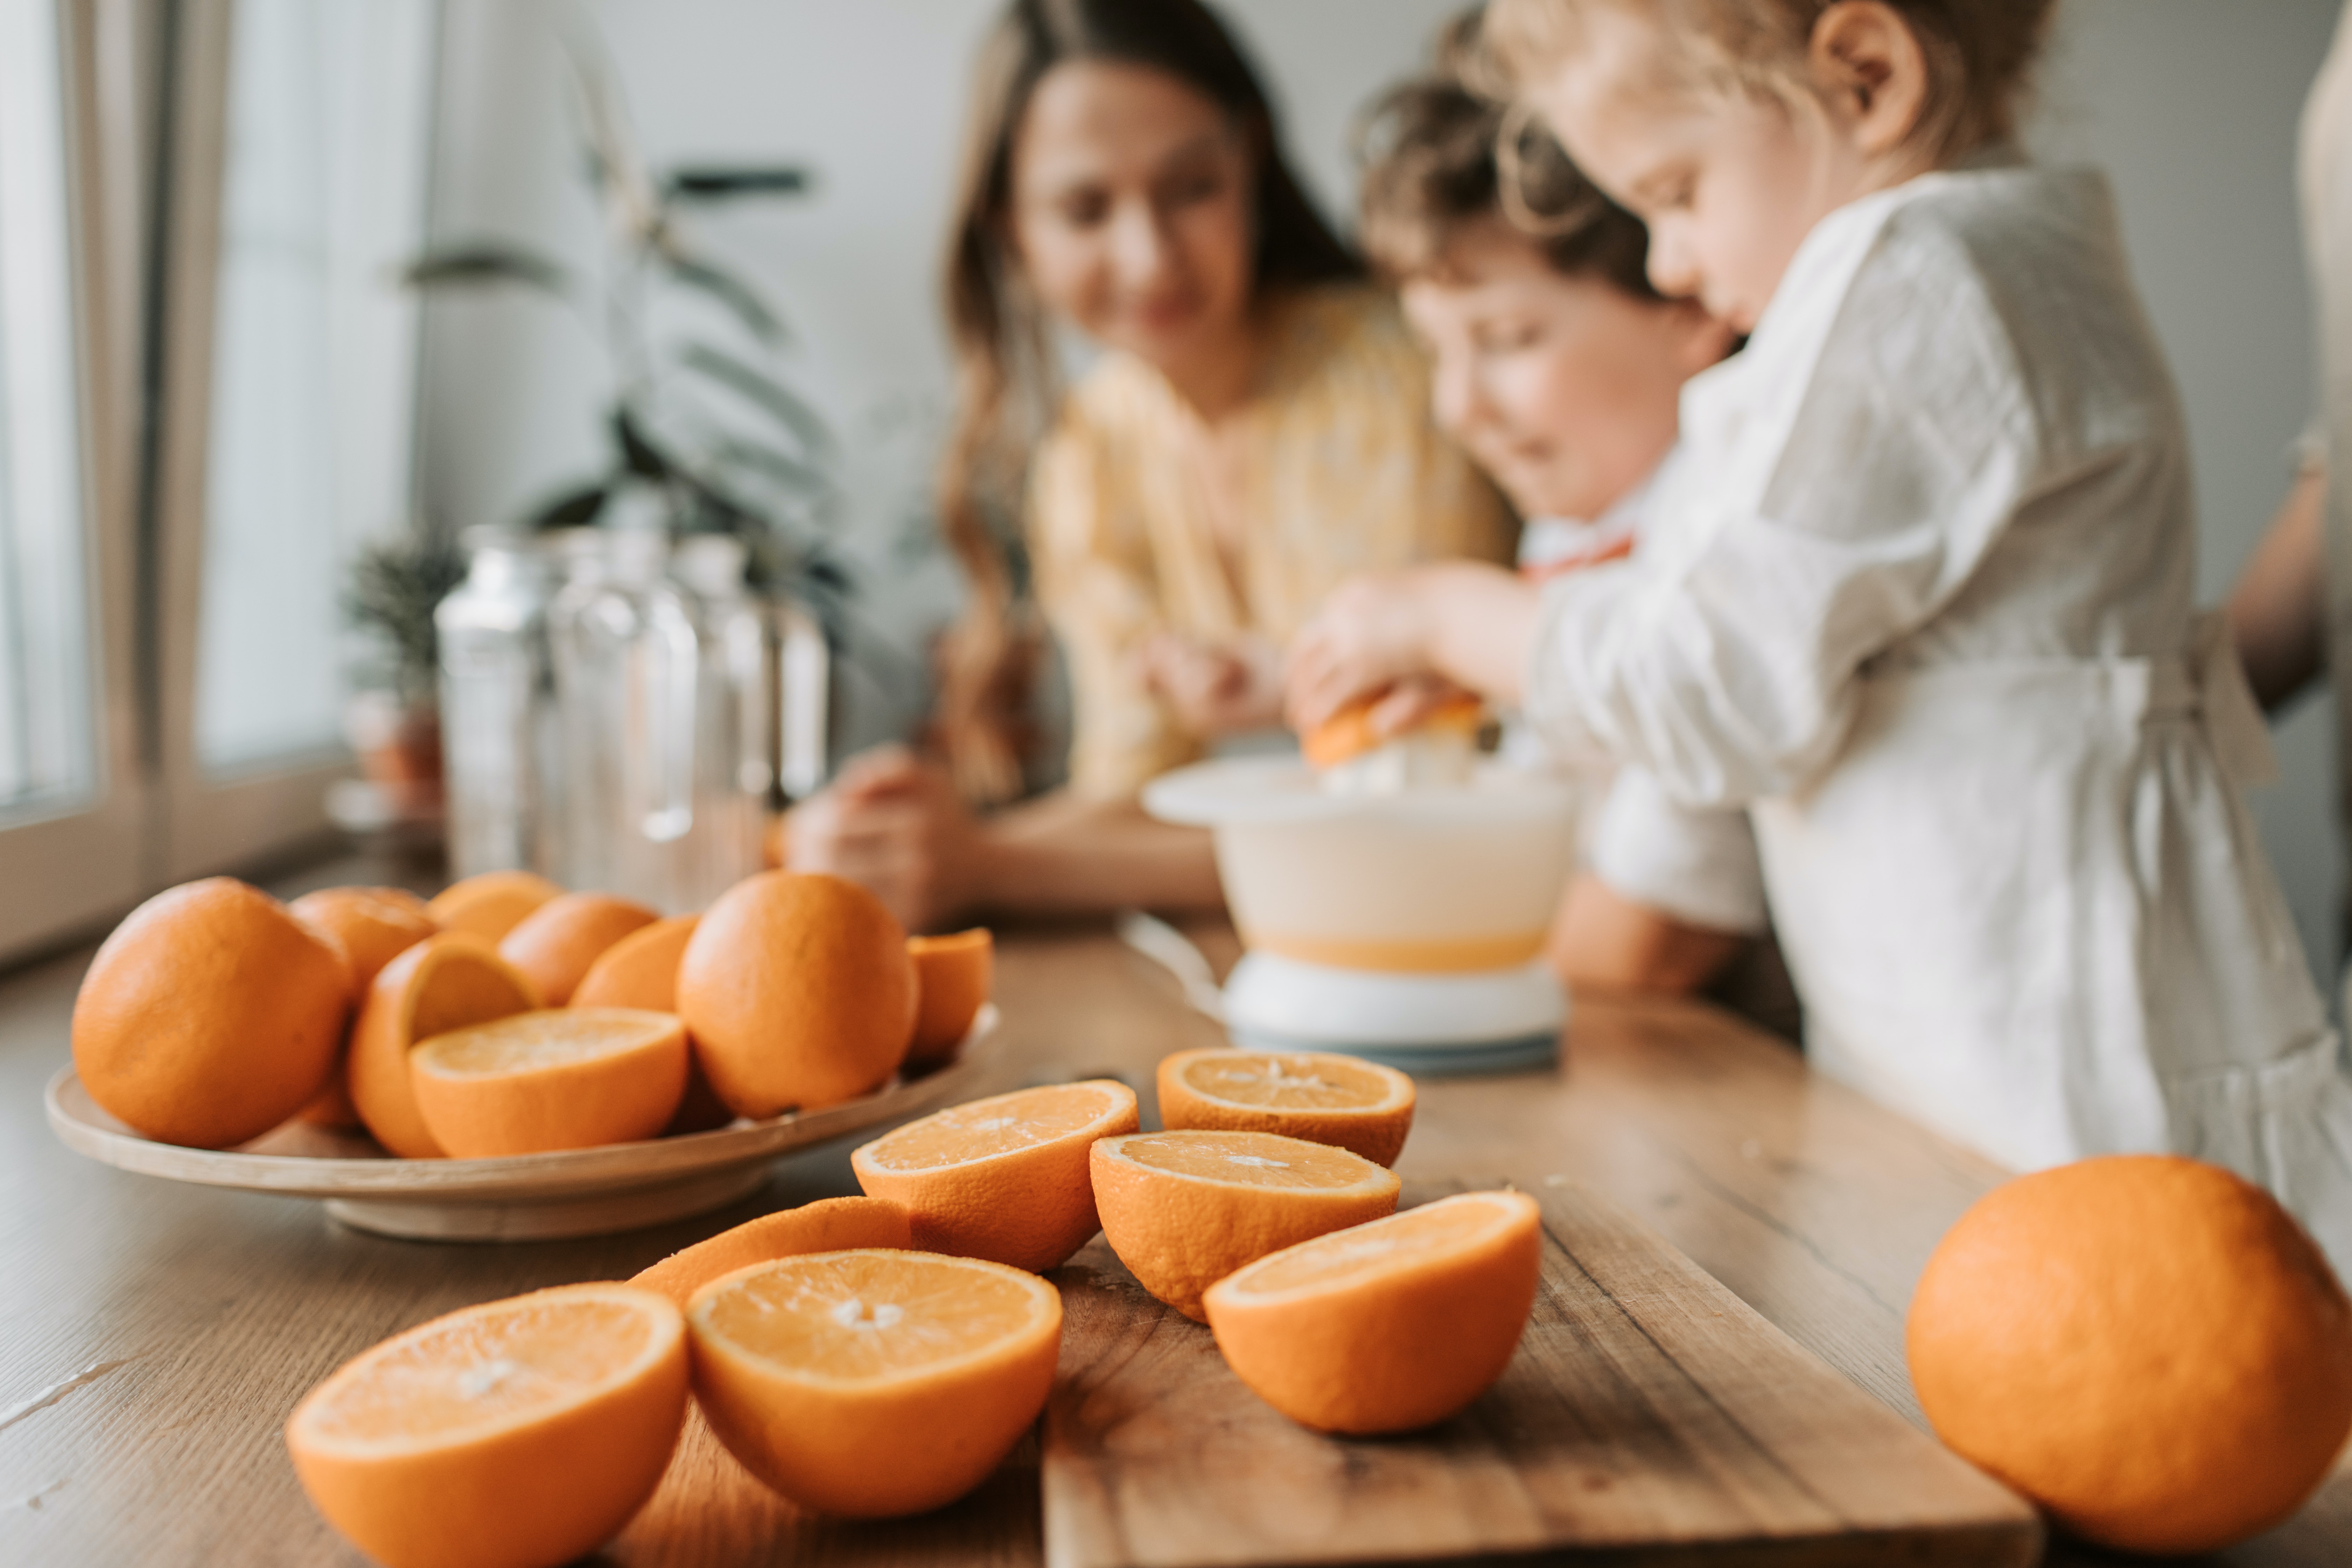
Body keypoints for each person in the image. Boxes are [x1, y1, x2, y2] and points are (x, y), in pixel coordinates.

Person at [1286, 0, 2352, 1261]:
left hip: (2053, 1076)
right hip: (2012, 1042)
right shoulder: (1996, 255)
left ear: (1865, 78)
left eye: (1677, 193)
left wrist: (1451, 615)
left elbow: (1710, 687)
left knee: (2115, 1368)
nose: (1671, 261)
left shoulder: (1913, 275)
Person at [785, 0, 1511, 932]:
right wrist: (900, 841)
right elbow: (1136, 787)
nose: (1149, 255)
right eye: (1085, 209)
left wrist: (990, 861)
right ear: (1012, 230)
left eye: (1191, 188)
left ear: (1251, 159)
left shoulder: (1399, 380)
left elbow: (1396, 814)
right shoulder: (1091, 452)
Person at [1354, 58, 1765, 996]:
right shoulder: (1576, 526)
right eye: (1435, 351)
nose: (1458, 409)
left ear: (1689, 304)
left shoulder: (1720, 529)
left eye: (1506, 340)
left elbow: (1652, 939)